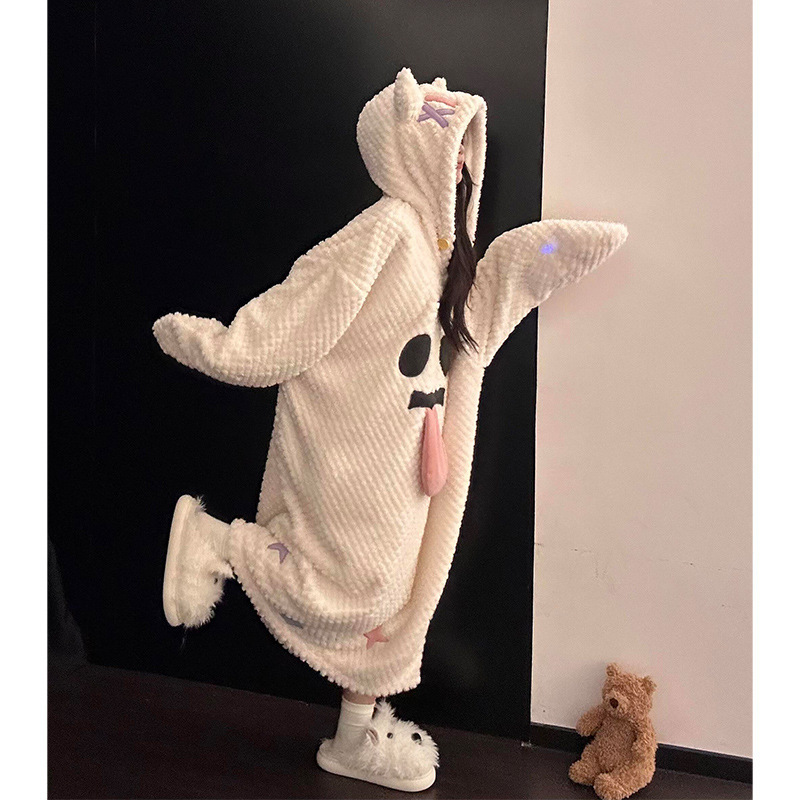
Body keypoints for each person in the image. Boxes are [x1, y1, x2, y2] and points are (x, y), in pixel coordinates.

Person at [153, 67, 627, 791]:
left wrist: (551, 255)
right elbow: (307, 301)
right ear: (414, 149)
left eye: (468, 150)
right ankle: (219, 544)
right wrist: (220, 347)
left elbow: (506, 283)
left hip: (410, 461)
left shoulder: (442, 253)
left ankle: (354, 735)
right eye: (451, 146)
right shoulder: (386, 231)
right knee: (360, 592)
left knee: (392, 610)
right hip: (362, 454)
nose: (462, 166)